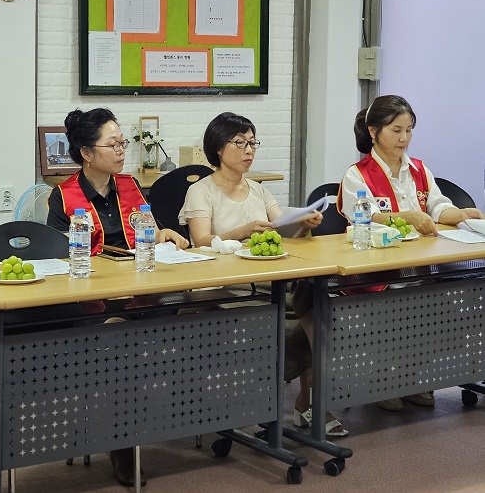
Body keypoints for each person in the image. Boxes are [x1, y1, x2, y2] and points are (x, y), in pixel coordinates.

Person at [179, 112, 348, 437]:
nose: (249, 150)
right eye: (240, 143)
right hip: (229, 286)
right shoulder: (202, 190)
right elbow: (200, 242)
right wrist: (242, 231)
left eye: (252, 143)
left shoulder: (258, 190)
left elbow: (282, 231)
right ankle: (305, 402)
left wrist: (303, 224)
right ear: (218, 148)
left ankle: (312, 399)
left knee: (319, 304)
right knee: (306, 312)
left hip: (270, 279)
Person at [47, 107, 189, 488]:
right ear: (87, 153)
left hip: (140, 293)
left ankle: (201, 416)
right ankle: (122, 442)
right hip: (91, 303)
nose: (122, 150)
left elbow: (148, 230)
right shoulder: (63, 196)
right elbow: (58, 259)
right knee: (121, 340)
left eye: (123, 142)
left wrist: (164, 235)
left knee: (193, 315)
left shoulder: (130, 186)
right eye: (113, 145)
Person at [338, 94, 484, 412]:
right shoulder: (357, 174)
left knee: (446, 316)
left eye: (408, 130)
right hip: (377, 275)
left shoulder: (418, 169)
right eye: (396, 130)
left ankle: (410, 379)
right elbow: (368, 216)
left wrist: (460, 214)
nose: (404, 138)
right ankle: (382, 381)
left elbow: (437, 206)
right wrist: (409, 217)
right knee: (397, 315)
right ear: (373, 131)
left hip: (419, 268)